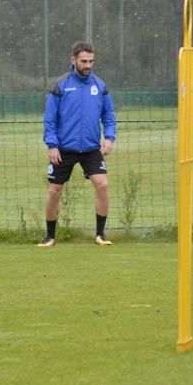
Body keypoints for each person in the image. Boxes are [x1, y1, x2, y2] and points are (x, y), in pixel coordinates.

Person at [39, 41, 117, 247]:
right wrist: (52, 145)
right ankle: (49, 237)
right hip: (63, 149)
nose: (88, 65)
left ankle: (100, 234)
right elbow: (49, 119)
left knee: (103, 185)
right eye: (84, 61)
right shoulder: (61, 85)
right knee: (54, 190)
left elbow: (109, 115)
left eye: (91, 61)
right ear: (73, 60)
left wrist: (109, 138)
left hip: (91, 149)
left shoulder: (99, 86)